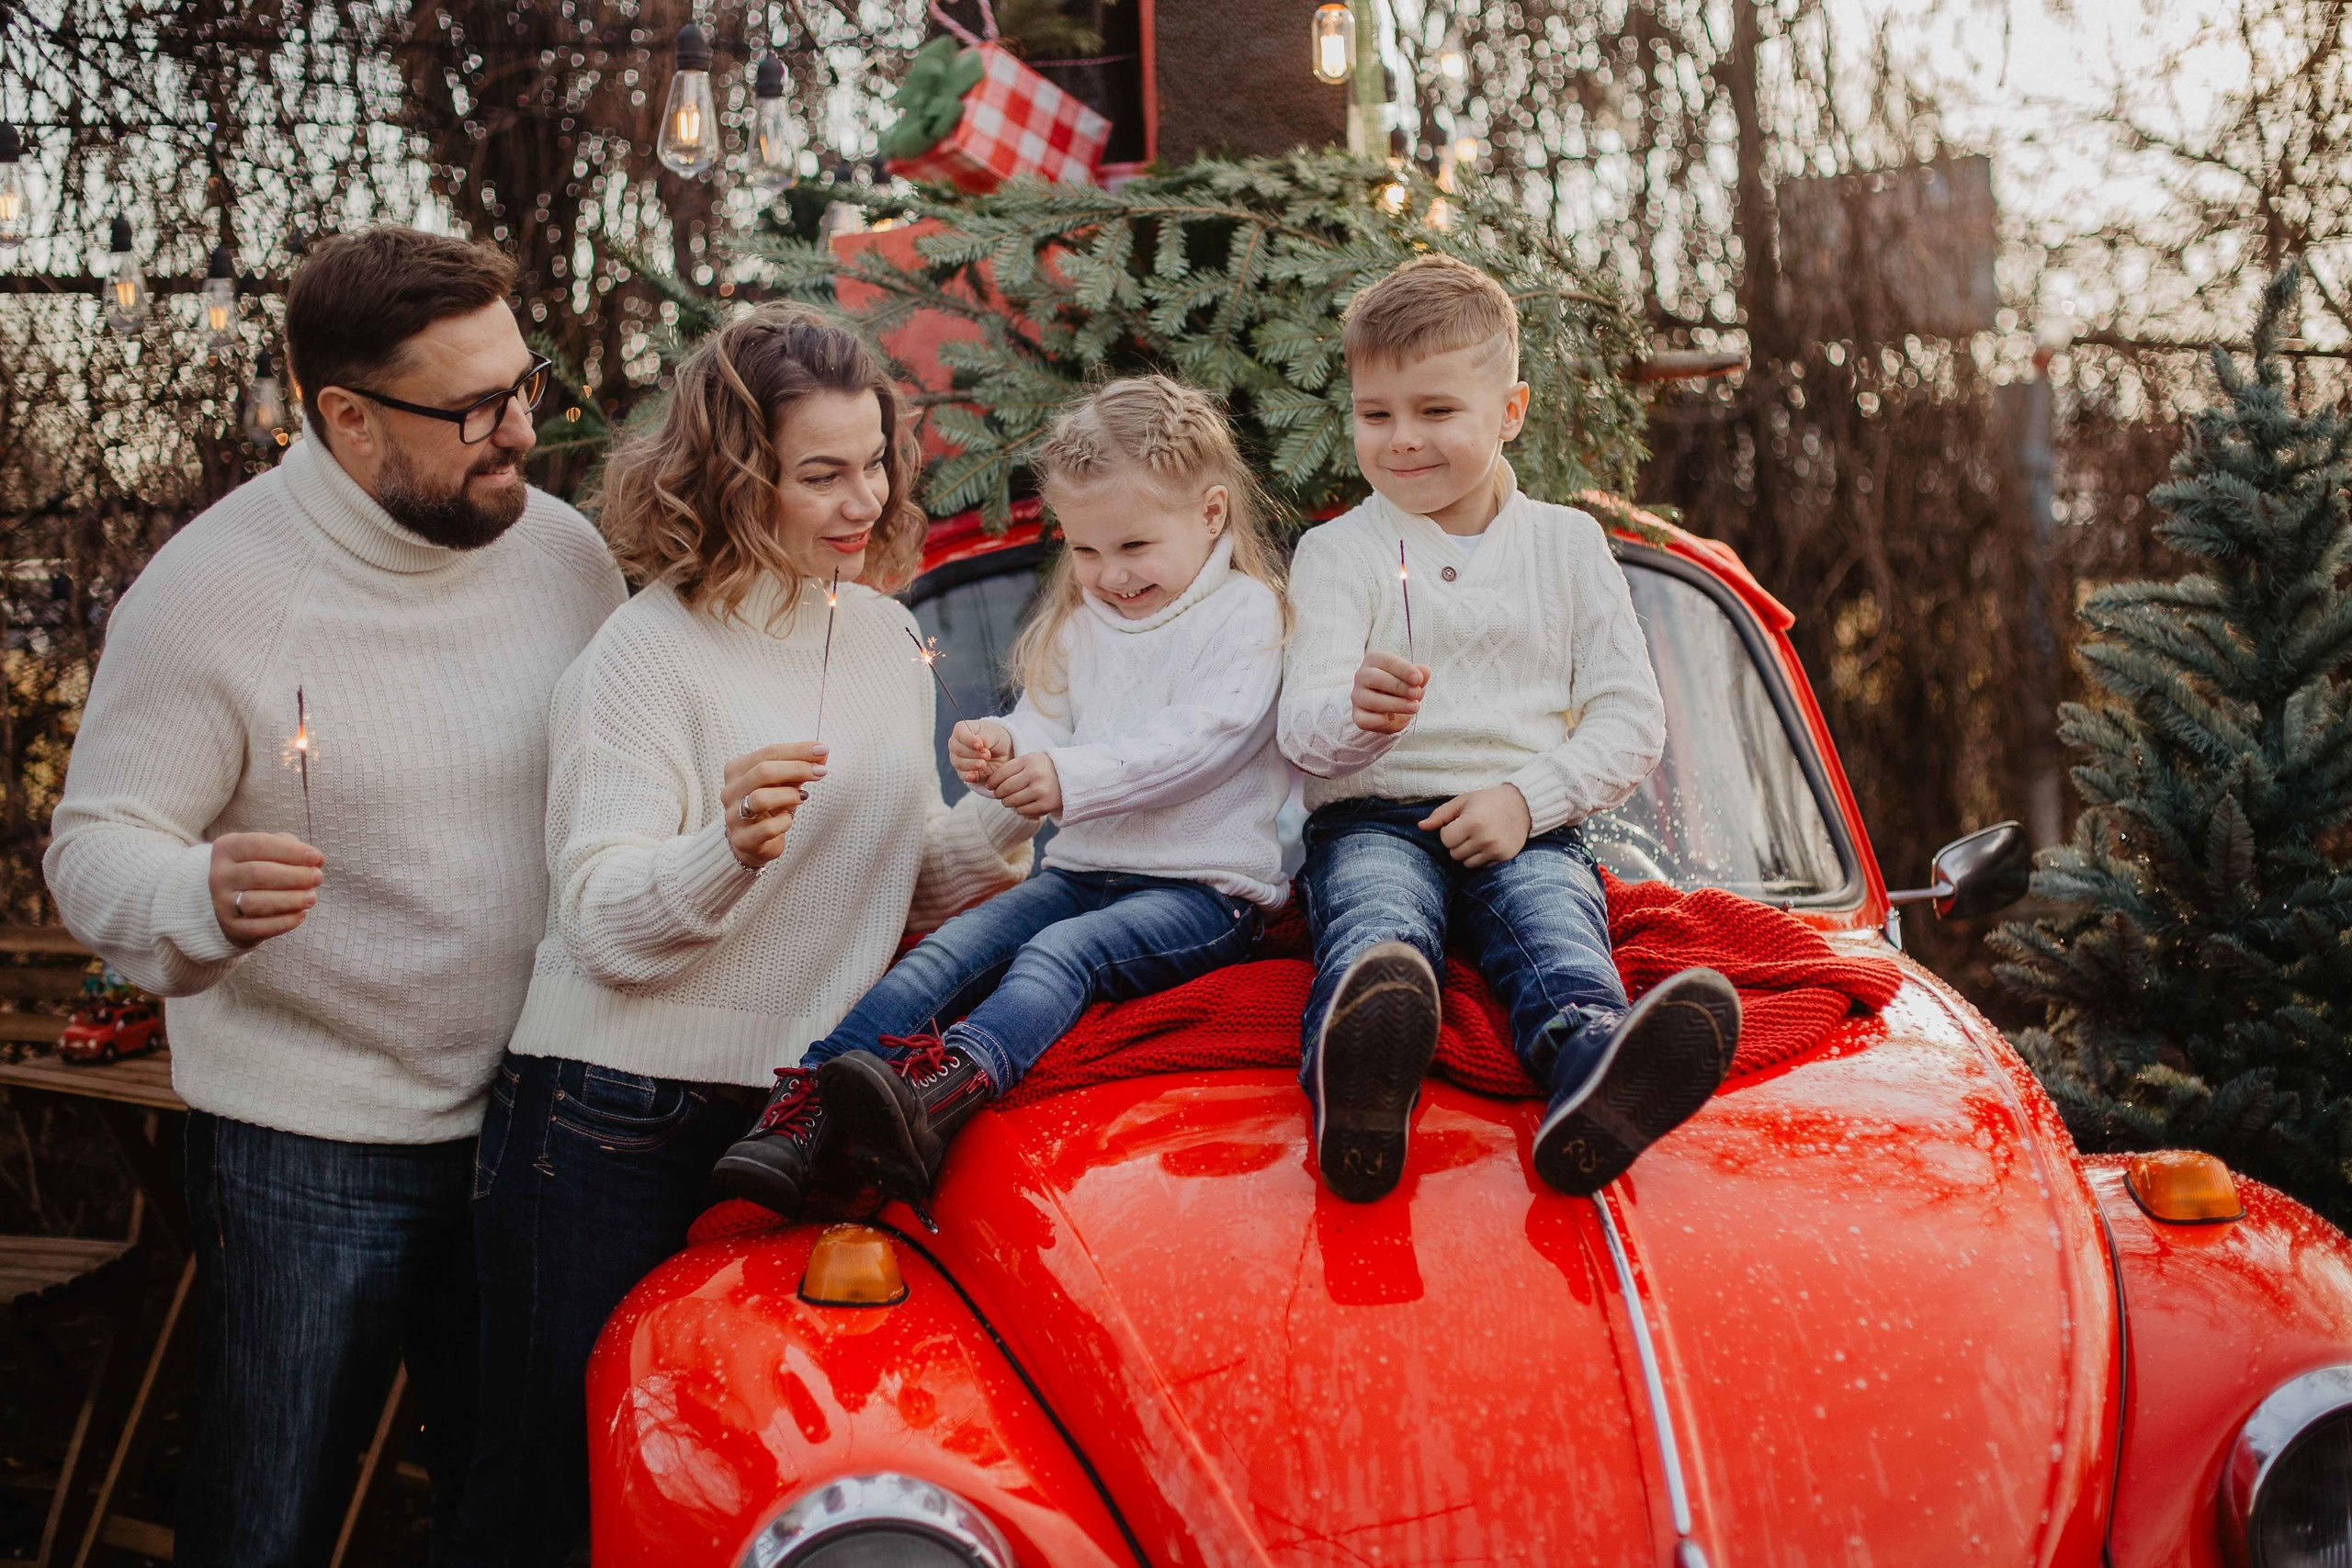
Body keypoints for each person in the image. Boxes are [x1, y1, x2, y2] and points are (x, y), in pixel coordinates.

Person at [43, 228, 625, 1564]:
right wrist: (196, 885)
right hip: (311, 1144)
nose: (521, 432)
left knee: (526, 1504)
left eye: (527, 384)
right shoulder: (214, 592)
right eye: (475, 407)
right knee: (272, 1504)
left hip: (539, 1115)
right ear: (347, 417)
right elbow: (95, 846)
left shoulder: (568, 559)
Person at [458, 305, 1035, 1562]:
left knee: (739, 1475)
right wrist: (725, 847)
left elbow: (894, 878)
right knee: (558, 1489)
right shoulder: (643, 654)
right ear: (733, 473)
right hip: (605, 1118)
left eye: (874, 461)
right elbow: (603, 919)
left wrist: (1001, 820)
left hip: (789, 1117)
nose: (860, 498)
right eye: (820, 472)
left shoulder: (884, 634)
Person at [718, 375, 1292, 1213]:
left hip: (1203, 892)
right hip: (1084, 870)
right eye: (1086, 552)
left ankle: (944, 1090)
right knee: (956, 948)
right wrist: (1006, 743)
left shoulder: (1245, 615)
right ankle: (800, 1112)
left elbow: (1202, 742)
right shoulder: (1083, 620)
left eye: (1133, 548)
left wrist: (1065, 776)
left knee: (1064, 955)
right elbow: (1049, 718)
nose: (1109, 576)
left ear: (1210, 513)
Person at [1278, 254, 1741, 1203]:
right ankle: (1359, 1082)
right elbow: (1301, 732)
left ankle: (1593, 1079)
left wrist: (1525, 801)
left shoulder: (1566, 546)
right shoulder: (1336, 554)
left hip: (1521, 821)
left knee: (1555, 931)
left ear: (1510, 412)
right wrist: (1356, 719)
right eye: (1375, 415)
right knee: (1377, 923)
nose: (1400, 440)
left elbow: (1628, 719)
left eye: (1435, 411)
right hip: (1371, 815)